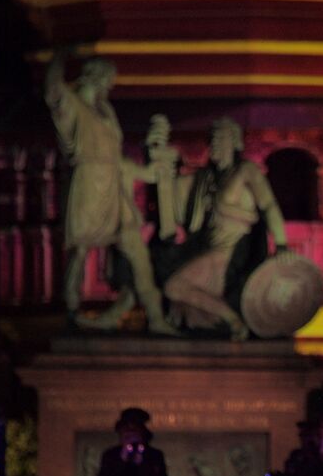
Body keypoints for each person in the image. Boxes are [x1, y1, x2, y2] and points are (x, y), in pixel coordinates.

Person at [44, 53, 175, 334]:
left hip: (114, 189)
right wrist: (60, 55)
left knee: (137, 253)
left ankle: (155, 317)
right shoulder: (73, 104)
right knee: (80, 250)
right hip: (89, 185)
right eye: (108, 80)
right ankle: (71, 309)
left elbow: (116, 159)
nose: (110, 86)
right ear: (96, 77)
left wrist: (148, 172)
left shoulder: (107, 111)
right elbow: (53, 91)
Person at [156, 117, 288, 340]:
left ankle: (233, 321)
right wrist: (162, 166)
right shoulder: (207, 178)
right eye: (212, 140)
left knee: (174, 287)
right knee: (165, 272)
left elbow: (268, 205)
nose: (214, 144)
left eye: (220, 139)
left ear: (234, 143)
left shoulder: (246, 171)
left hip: (229, 252)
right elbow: (179, 199)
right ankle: (228, 321)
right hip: (207, 246)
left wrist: (282, 243)